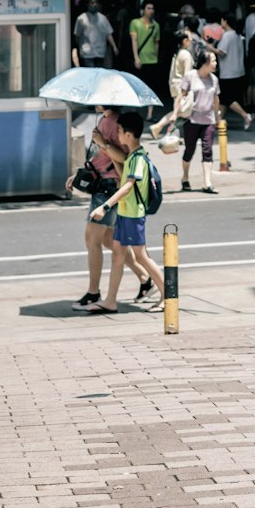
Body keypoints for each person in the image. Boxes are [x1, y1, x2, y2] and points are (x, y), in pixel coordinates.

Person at [66, 106, 154, 310]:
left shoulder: (115, 123)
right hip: (101, 182)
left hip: (109, 187)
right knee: (109, 239)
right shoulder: (104, 120)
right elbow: (100, 156)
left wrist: (103, 143)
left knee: (92, 239)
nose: (95, 102)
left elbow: (123, 158)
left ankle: (93, 293)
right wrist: (81, 174)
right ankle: (144, 277)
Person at [88, 110, 166, 314]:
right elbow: (123, 177)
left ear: (129, 135)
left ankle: (169, 295)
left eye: (120, 131)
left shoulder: (138, 158)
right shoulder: (132, 156)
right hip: (124, 214)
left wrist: (105, 206)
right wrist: (109, 153)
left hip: (133, 214)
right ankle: (110, 300)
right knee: (118, 257)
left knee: (141, 257)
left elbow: (128, 186)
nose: (118, 135)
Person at [181, 48, 221, 192]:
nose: (216, 63)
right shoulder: (190, 76)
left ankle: (207, 182)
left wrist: (217, 117)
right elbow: (182, 96)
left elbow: (216, 99)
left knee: (207, 150)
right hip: (192, 120)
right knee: (189, 150)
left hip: (208, 120)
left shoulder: (214, 80)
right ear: (204, 63)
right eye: (213, 61)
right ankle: (185, 177)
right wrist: (175, 114)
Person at [150, 29, 194, 141]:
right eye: (189, 37)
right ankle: (158, 126)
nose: (192, 39)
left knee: (180, 111)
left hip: (175, 84)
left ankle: (174, 133)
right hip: (182, 87)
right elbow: (187, 75)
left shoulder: (178, 52)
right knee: (181, 112)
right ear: (185, 41)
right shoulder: (186, 55)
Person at [216, 14, 252, 128]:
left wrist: (209, 47)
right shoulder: (238, 35)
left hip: (228, 72)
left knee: (228, 98)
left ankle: (245, 115)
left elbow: (222, 51)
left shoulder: (226, 36)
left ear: (225, 21)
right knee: (224, 99)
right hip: (238, 71)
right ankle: (218, 121)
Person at [72, 0, 117, 68]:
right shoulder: (81, 19)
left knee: (98, 74)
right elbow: (77, 36)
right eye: (92, 3)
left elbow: (108, 33)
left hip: (100, 51)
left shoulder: (103, 18)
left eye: (96, 2)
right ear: (87, 5)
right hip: (87, 52)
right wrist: (80, 46)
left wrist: (114, 46)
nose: (94, 4)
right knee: (90, 73)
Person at [129, 1, 161, 92]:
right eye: (148, 8)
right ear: (143, 10)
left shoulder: (156, 25)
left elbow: (156, 43)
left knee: (151, 85)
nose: (151, 11)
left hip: (152, 59)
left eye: (152, 8)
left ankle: (150, 106)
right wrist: (136, 57)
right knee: (139, 83)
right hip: (141, 57)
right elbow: (134, 40)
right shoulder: (135, 23)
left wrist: (157, 57)